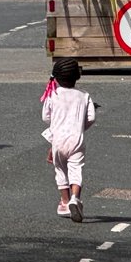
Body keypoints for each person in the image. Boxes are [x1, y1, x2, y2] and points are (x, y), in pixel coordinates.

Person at [41, 57, 95, 223]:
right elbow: (91, 117)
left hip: (58, 140)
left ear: (55, 77)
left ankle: (64, 202)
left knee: (60, 171)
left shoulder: (53, 95)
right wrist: (81, 127)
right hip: (76, 139)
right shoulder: (84, 96)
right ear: (77, 76)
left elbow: (45, 117)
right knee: (76, 169)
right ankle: (75, 198)